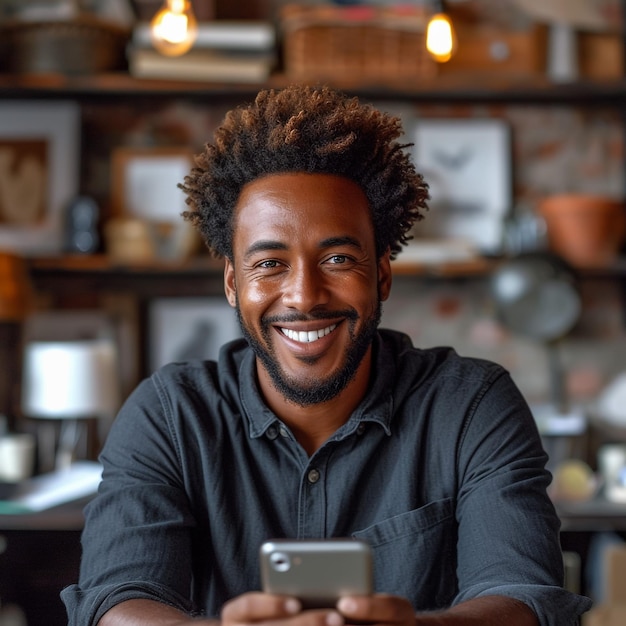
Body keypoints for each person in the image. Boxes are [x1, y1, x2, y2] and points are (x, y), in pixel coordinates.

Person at [62, 84, 591, 626]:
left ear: (381, 273)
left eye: (337, 257)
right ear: (232, 282)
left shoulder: (470, 406)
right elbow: (114, 601)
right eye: (269, 264)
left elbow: (525, 597)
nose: (304, 295)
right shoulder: (169, 415)